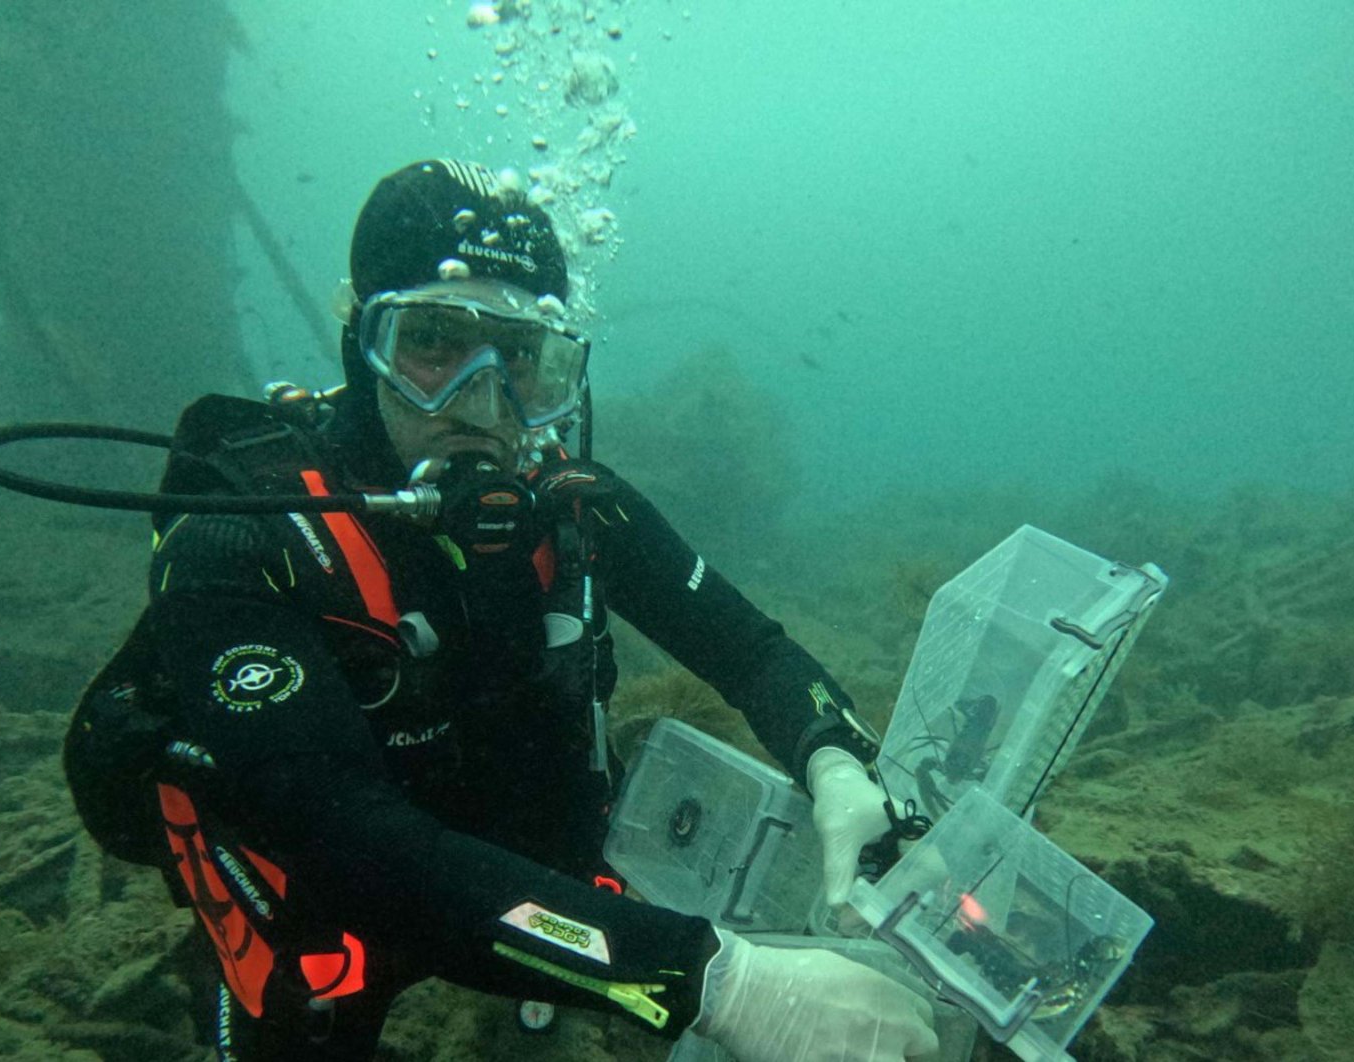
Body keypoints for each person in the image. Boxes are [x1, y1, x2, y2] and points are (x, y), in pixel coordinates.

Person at [66, 159, 939, 1061]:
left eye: (523, 359)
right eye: (435, 344)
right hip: (323, 862)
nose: (483, 405)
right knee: (314, 995)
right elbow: (347, 839)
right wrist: (714, 980)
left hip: (483, 850)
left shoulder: (570, 504)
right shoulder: (243, 533)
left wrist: (834, 756)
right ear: (363, 340)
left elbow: (750, 650)